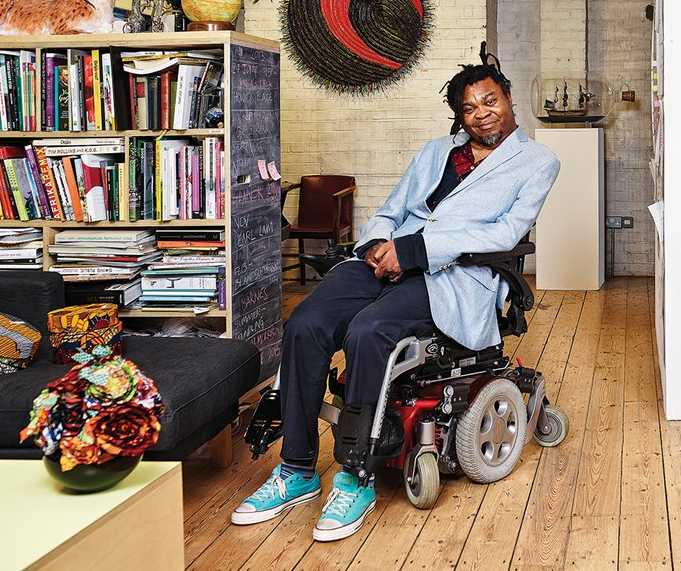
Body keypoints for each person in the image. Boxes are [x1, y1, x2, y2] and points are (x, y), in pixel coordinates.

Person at [231, 55, 560, 541]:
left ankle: (355, 476)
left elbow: (507, 233)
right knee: (305, 323)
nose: (482, 113)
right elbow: (392, 208)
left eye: (490, 100)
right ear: (459, 116)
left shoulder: (537, 162)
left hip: (454, 276)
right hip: (391, 259)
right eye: (469, 108)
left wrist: (413, 252)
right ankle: (296, 469)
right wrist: (376, 247)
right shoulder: (435, 151)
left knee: (369, 331)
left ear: (508, 99)